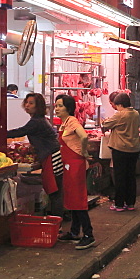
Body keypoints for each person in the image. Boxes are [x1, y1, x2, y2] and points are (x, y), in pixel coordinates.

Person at [7, 93, 64, 217]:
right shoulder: (39, 120)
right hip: (52, 156)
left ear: (38, 106)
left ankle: (57, 223)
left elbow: (21, 131)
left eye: (31, 103)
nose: (27, 105)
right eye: (26, 102)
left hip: (51, 158)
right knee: (55, 191)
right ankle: (58, 221)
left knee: (54, 192)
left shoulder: (37, 122)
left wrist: (1, 133)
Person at [54, 94, 95, 249]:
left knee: (78, 199)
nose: (57, 109)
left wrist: (84, 152)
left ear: (68, 108)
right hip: (68, 164)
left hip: (76, 164)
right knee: (72, 197)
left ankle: (88, 235)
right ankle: (74, 231)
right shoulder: (64, 123)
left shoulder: (72, 121)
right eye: (56, 105)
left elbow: (84, 136)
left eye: (60, 106)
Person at [102, 91, 140, 211]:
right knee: (130, 176)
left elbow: (105, 124)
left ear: (120, 105)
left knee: (120, 177)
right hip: (133, 149)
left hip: (120, 149)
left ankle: (119, 204)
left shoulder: (120, 115)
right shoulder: (135, 113)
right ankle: (130, 203)